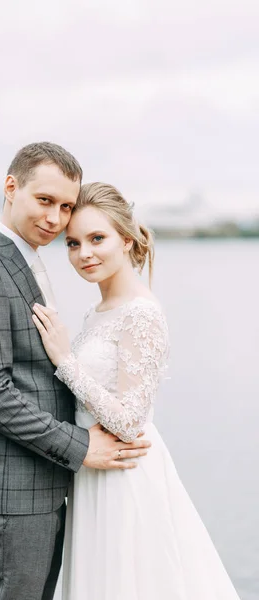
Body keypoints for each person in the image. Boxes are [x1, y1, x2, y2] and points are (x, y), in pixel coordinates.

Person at [0, 144, 150, 600]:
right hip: (8, 489)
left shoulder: (25, 260)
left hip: (41, 481)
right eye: (45, 201)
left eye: (65, 207)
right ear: (11, 186)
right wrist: (81, 447)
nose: (56, 220)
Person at [32, 182, 241, 600]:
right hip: (93, 471)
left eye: (97, 239)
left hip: (125, 476)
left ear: (126, 240)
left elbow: (130, 420)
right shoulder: (98, 311)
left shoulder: (141, 313)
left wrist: (64, 360)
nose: (84, 254)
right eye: (73, 243)